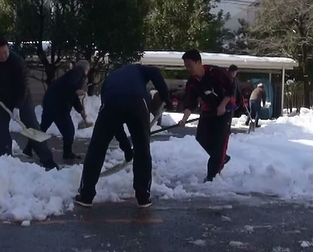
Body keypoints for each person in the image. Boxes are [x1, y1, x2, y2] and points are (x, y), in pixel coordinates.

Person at [74, 64, 171, 208]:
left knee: (97, 149)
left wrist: (126, 148)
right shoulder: (140, 69)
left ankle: (86, 196)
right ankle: (143, 197)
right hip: (137, 103)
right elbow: (155, 72)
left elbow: (115, 127)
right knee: (142, 149)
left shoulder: (109, 80)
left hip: (111, 104)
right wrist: (166, 97)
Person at [0, 35, 59, 171]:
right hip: (2, 97)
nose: (3, 56)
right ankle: (4, 158)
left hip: (22, 98)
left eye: (5, 52)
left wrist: (17, 106)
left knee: (31, 126)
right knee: (0, 127)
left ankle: (48, 161)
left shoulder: (17, 62)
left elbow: (23, 87)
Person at [178, 49, 236, 183]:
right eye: (186, 66)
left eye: (190, 65)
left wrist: (222, 105)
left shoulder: (215, 72)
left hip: (225, 110)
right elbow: (190, 102)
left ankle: (212, 176)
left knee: (218, 143)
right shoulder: (192, 82)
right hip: (209, 110)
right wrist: (184, 119)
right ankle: (222, 158)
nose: (188, 69)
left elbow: (231, 88)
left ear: (198, 62)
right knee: (201, 137)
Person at [23, 60, 90, 160]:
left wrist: (80, 110)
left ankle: (28, 149)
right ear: (86, 69)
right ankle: (67, 153)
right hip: (59, 106)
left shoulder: (72, 76)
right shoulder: (77, 72)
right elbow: (71, 85)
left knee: (43, 128)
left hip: (50, 102)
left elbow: (73, 96)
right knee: (69, 131)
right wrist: (77, 89)